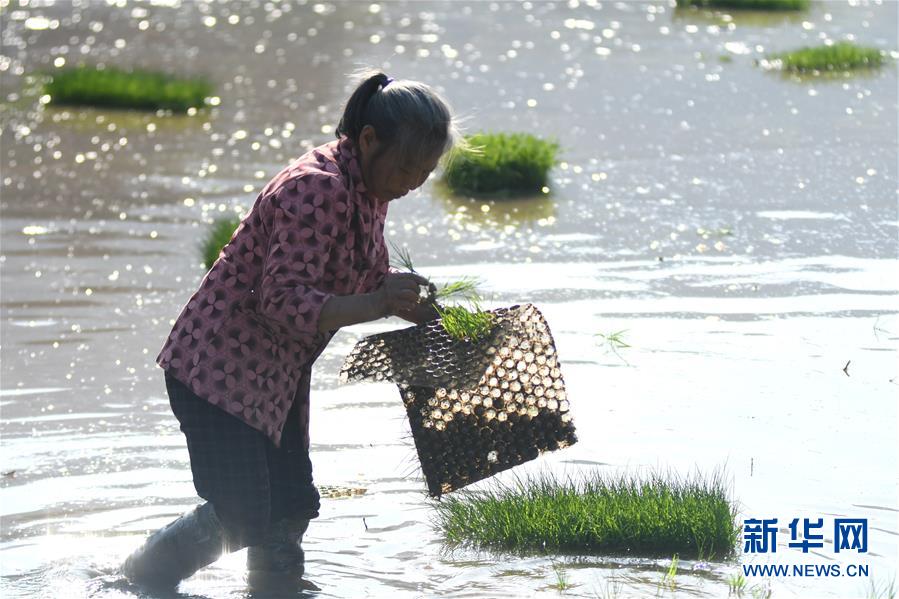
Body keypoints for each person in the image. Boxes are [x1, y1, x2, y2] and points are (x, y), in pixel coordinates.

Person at [121, 71, 459, 591]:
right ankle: (138, 580)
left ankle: (275, 589)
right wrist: (376, 302)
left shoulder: (370, 187)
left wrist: (399, 298)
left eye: (425, 172)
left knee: (289, 501)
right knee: (239, 513)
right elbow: (282, 299)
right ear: (369, 139)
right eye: (408, 167)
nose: (413, 182)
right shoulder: (315, 188)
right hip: (216, 370)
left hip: (274, 376)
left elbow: (347, 271)